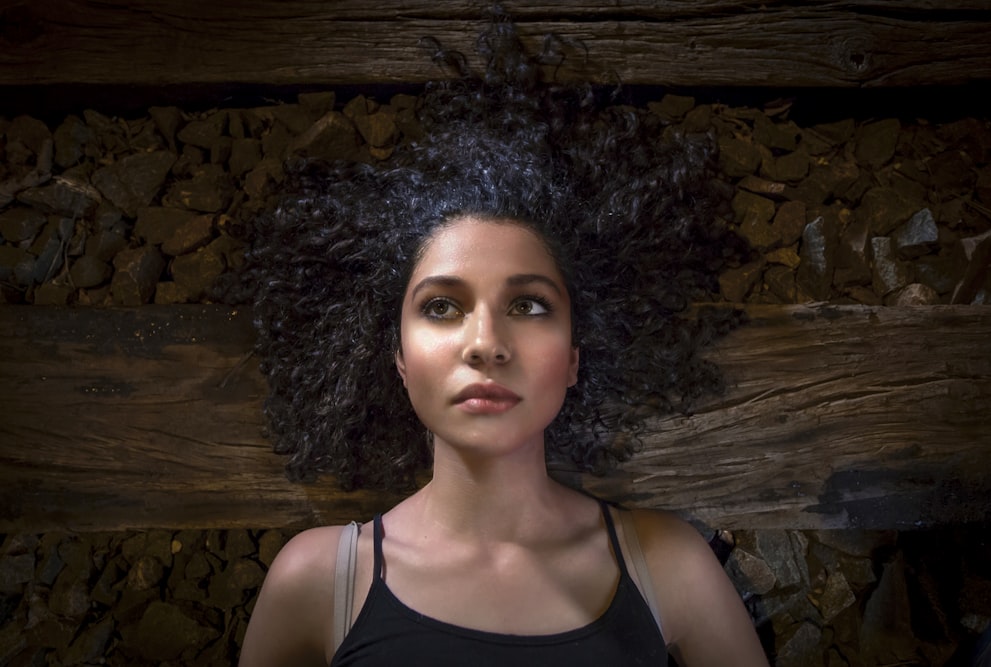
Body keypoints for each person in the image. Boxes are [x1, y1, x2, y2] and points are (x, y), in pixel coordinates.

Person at [239, 14, 768, 667]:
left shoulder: (670, 567)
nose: (486, 342)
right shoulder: (316, 582)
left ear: (576, 354)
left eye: (528, 304)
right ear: (398, 358)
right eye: (441, 306)